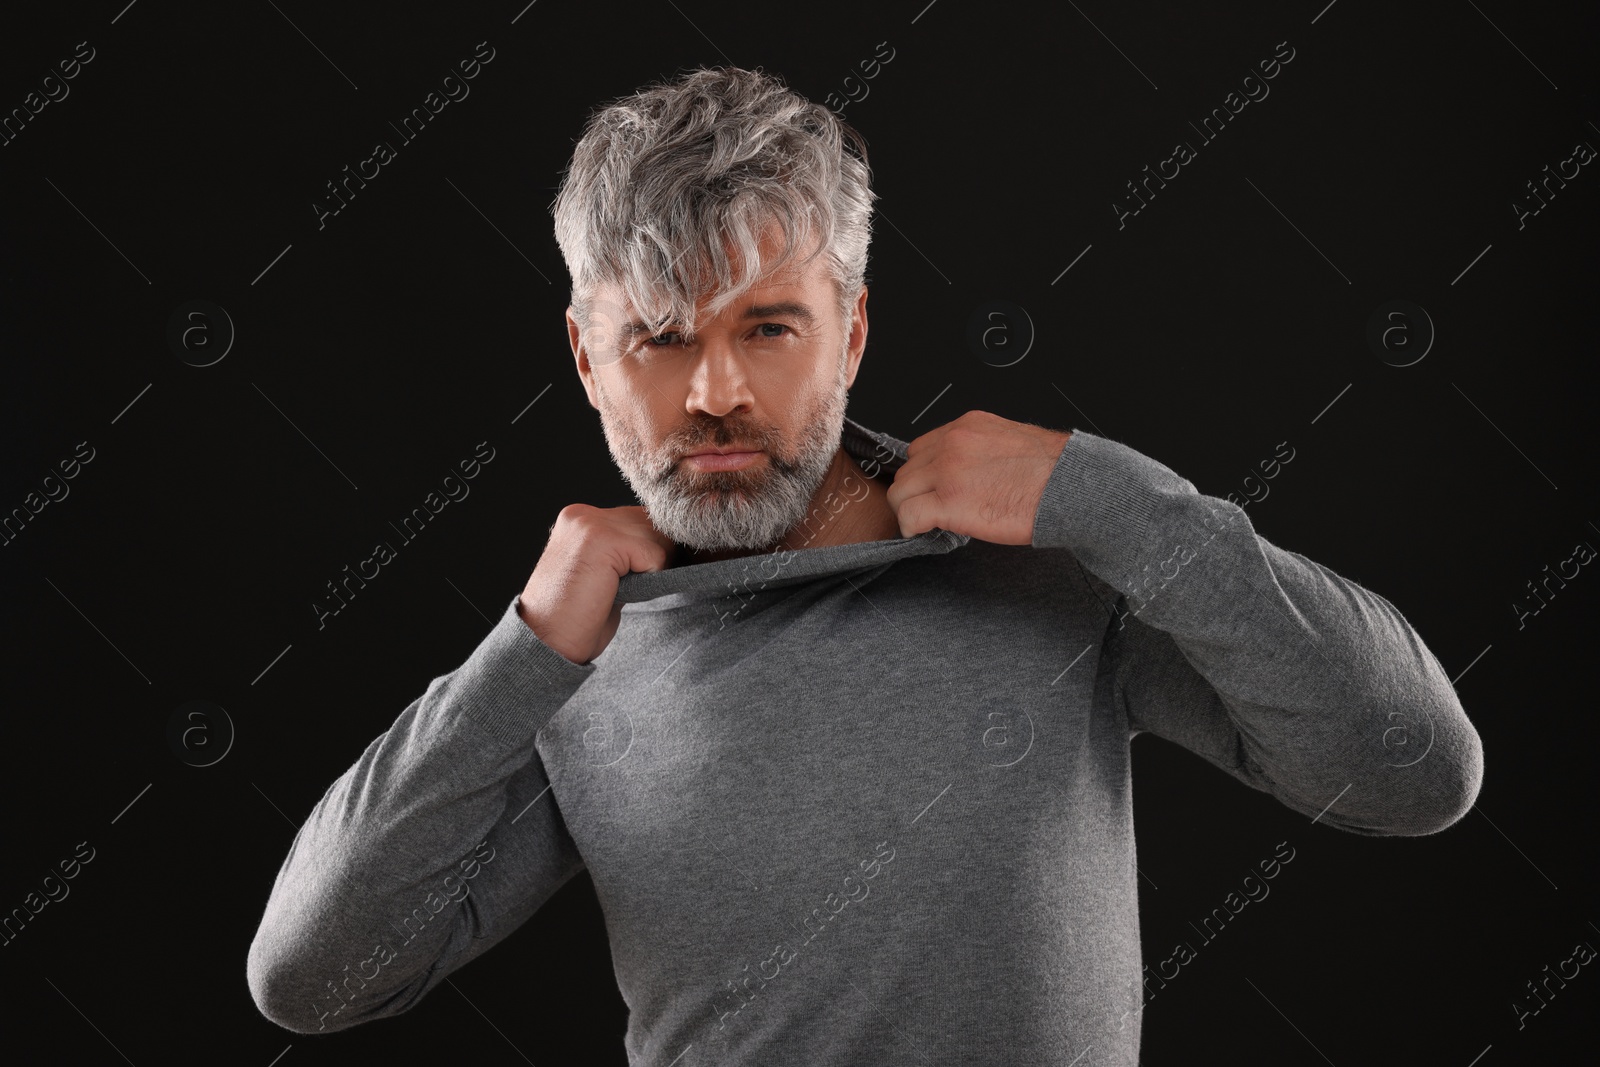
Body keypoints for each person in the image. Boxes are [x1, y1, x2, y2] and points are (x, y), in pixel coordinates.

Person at [246, 66, 1485, 1065]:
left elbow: (1411, 771)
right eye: (659, 339)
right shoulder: (578, 655)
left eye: (768, 327)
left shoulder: (1052, 556)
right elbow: (312, 981)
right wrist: (521, 652)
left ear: (853, 330)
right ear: (585, 356)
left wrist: (1126, 506)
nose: (715, 391)